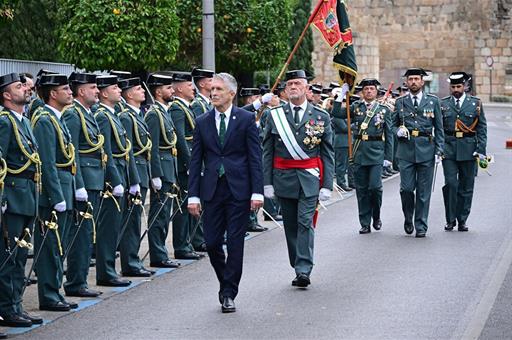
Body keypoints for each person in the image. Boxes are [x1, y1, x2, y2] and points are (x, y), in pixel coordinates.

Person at [188, 72, 263, 313]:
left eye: (219, 89)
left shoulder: (245, 119)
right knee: (211, 243)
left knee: (235, 242)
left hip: (239, 190)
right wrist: (193, 196)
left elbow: (255, 159)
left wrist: (257, 193)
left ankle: (229, 292)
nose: (214, 93)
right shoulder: (202, 121)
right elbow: (195, 161)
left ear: (232, 93)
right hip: (212, 190)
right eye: (212, 89)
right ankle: (225, 282)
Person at [262, 70, 334, 288]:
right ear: (285, 90)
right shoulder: (274, 115)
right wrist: (267, 183)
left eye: (297, 84)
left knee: (305, 223)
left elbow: (327, 153)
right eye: (290, 84)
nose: (293, 87)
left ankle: (303, 269)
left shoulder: (321, 116)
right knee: (290, 226)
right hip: (283, 178)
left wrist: (327, 185)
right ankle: (297, 262)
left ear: (306, 88)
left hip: (309, 179)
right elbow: (267, 151)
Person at [31, 73, 78, 311]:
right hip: (54, 194)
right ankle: (48, 295)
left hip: (65, 188)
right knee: (50, 246)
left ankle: (55, 291)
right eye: (66, 89)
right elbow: (47, 163)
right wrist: (56, 196)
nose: (71, 92)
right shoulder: (44, 120)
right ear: (53, 94)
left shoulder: (57, 118)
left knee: (60, 246)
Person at [0, 73, 43, 326]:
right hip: (13, 197)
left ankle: (16, 304)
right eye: (19, 86)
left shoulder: (23, 121)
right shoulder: (4, 121)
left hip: (27, 195)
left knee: (20, 255)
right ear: (6, 95)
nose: (26, 89)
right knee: (9, 255)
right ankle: (7, 308)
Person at [61, 72, 104, 298]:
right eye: (93, 87)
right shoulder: (73, 114)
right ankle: (75, 282)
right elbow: (73, 151)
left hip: (94, 179)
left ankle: (80, 280)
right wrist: (78, 184)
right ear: (81, 91)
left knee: (88, 234)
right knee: (81, 234)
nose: (97, 91)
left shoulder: (87, 113)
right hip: (85, 180)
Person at [332, 79, 393, 233]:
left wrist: (388, 157)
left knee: (375, 188)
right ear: (362, 92)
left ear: (376, 91)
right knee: (362, 190)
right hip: (359, 153)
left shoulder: (383, 110)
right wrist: (341, 96)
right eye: (366, 89)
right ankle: (365, 223)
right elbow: (337, 114)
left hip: (377, 153)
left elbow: (389, 135)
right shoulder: (356, 107)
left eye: (372, 89)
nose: (369, 91)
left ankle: (376, 215)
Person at [94, 75, 136, 287]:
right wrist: (115, 179)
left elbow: (124, 150)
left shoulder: (113, 114)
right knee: (108, 228)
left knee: (115, 226)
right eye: (114, 87)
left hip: (121, 174)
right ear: (104, 93)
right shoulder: (102, 116)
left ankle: (109, 269)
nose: (119, 90)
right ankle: (106, 271)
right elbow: (107, 152)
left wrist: (131, 179)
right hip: (112, 180)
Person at [392, 68, 444, 238]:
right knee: (406, 189)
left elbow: (439, 128)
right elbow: (391, 125)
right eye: (410, 79)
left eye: (416, 79)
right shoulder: (400, 102)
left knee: (423, 192)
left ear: (422, 82)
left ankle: (421, 224)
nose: (413, 82)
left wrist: (439, 150)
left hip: (426, 150)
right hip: (405, 150)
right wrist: (397, 130)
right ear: (406, 82)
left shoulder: (433, 101)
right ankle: (408, 217)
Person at [441, 72, 487, 232]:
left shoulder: (476, 104)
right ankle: (450, 219)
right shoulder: (443, 104)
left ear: (465, 87)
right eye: (453, 87)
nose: (456, 89)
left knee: (467, 186)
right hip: (449, 149)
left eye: (459, 86)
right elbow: (439, 129)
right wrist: (438, 148)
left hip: (469, 149)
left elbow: (481, 128)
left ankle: (462, 219)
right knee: (451, 184)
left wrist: (481, 150)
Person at [118, 77, 153, 277]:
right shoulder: (126, 117)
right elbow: (128, 151)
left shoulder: (137, 115)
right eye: (139, 89)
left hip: (141, 170)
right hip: (134, 172)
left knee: (135, 220)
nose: (143, 92)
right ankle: (129, 262)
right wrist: (133, 180)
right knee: (130, 221)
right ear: (129, 94)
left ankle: (134, 260)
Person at [144, 74, 181, 268]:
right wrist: (156, 174)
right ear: (158, 92)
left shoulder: (163, 112)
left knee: (165, 214)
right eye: (168, 88)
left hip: (169, 168)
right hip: (162, 170)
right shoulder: (154, 114)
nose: (172, 91)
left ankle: (161, 253)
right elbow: (154, 147)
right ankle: (158, 255)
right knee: (159, 215)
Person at [170, 72, 204, 260]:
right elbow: (181, 139)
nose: (193, 88)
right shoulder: (177, 108)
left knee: (192, 203)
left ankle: (189, 242)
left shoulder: (187, 107)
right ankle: (182, 245)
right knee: (183, 205)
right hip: (185, 165)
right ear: (180, 88)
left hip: (192, 161)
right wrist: (190, 163)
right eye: (189, 85)